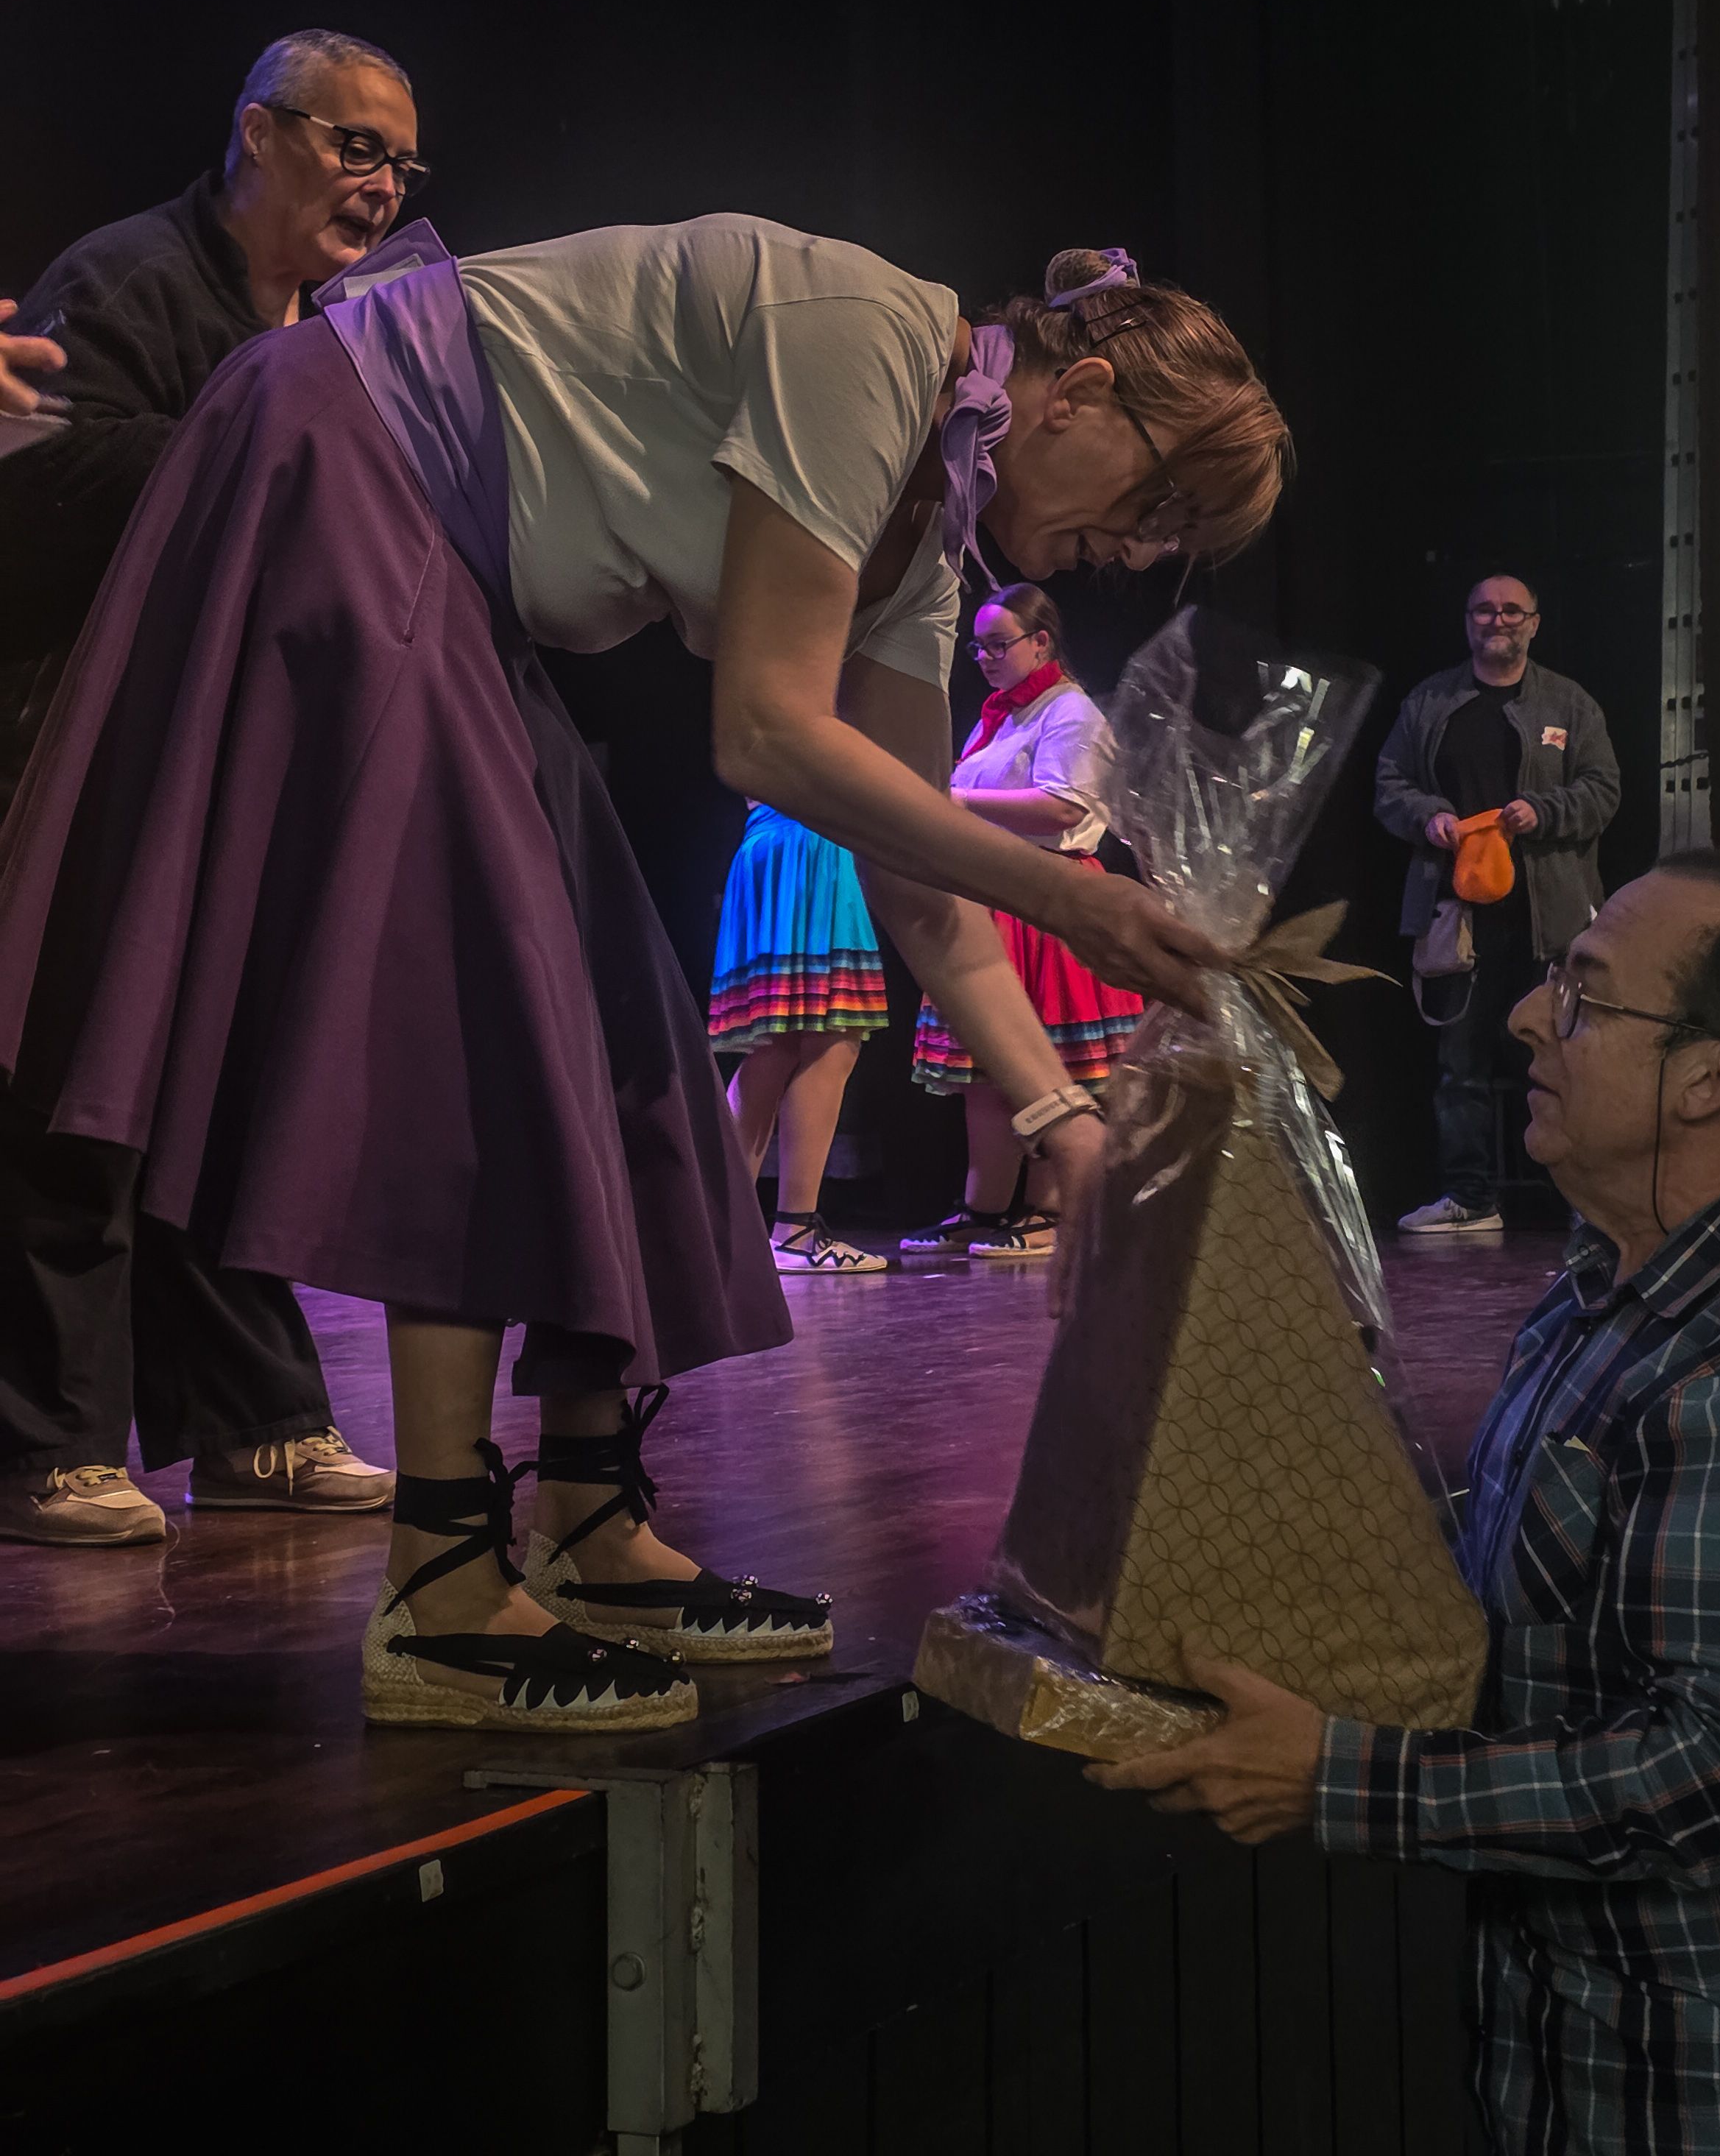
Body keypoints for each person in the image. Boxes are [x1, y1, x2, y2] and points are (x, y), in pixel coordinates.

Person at [0, 226, 1286, 1731]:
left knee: (626, 1015)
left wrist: (1068, 1119)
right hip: (342, 448)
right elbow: (765, 732)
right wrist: (1080, 893)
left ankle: (593, 1519)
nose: (1134, 550)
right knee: (486, 992)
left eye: (1172, 536)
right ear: (1078, 391)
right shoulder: (867, 335)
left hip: (446, 549)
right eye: (1157, 503)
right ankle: (440, 1584)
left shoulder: (923, 534)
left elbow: (924, 895)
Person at [1088, 852, 1720, 2156]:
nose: (1531, 1016)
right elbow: (1549, 1619)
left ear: (1713, 1075)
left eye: (1584, 997)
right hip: (1610, 2054)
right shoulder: (1626, 1274)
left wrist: (1340, 1776)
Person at [0, 30, 415, 1546]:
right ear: (257, 131)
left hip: (229, 769)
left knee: (227, 1094)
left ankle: (253, 1419)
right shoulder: (120, 280)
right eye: (351, 144)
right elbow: (39, 480)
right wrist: (264, 450)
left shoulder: (340, 321)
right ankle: (45, 1441)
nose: (376, 184)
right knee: (75, 1097)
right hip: (69, 753)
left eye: (396, 162)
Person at [903, 584, 1145, 1265]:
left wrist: (953, 798)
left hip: (1048, 897)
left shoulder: (1069, 712)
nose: (985, 657)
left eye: (998, 643)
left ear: (1042, 642)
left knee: (1053, 1059)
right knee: (988, 1066)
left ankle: (1048, 1207)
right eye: (977, 646)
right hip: (998, 895)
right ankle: (984, 1204)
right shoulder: (1002, 716)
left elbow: (1063, 809)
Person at [1374, 570, 1618, 1240]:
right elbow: (1388, 784)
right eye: (1484, 611)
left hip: (1553, 923)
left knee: (1564, 1064)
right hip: (1460, 922)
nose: (1498, 621)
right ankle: (1471, 1199)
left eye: (1513, 611)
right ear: (1468, 622)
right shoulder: (1432, 702)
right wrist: (1428, 818)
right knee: (1462, 1068)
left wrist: (1544, 811)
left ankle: (1587, 1201)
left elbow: (1604, 791)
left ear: (1534, 623)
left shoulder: (1569, 705)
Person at [712, 804, 889, 1276]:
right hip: (813, 846)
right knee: (835, 1037)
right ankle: (793, 1230)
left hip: (774, 844)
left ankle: (713, 1230)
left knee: (775, 1046)